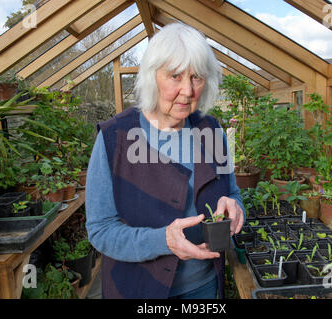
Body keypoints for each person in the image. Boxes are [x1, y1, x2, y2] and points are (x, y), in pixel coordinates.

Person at [85, 22, 245, 299]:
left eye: (197, 77)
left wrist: (235, 207)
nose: (188, 90)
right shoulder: (115, 138)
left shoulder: (212, 131)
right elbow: (100, 230)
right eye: (175, 76)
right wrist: (163, 241)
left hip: (204, 287)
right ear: (151, 76)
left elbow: (231, 191)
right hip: (138, 289)